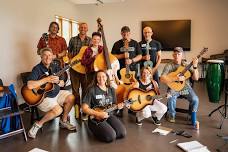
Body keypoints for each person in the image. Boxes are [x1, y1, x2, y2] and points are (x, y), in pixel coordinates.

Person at [27, 47, 76, 139]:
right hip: (43, 97)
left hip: (56, 93)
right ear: (41, 57)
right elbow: (29, 85)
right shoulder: (37, 69)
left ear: (52, 56)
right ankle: (38, 124)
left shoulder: (55, 66)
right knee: (58, 110)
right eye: (45, 55)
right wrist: (46, 79)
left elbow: (62, 84)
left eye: (49, 55)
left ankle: (63, 121)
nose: (47, 57)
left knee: (71, 98)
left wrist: (57, 81)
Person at [160, 47, 199, 129]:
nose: (177, 56)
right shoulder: (169, 65)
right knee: (171, 96)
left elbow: (196, 78)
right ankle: (171, 115)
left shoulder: (186, 65)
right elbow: (162, 78)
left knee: (195, 99)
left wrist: (195, 67)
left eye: (179, 54)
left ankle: (191, 115)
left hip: (185, 88)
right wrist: (176, 78)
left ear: (182, 55)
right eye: (175, 54)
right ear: (173, 55)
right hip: (174, 88)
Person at [82, 70, 126, 142]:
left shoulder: (111, 89)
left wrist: (118, 107)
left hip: (109, 115)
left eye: (103, 76)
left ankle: (106, 127)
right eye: (98, 77)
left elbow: (114, 104)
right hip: (95, 118)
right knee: (111, 137)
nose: (101, 78)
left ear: (106, 78)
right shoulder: (92, 90)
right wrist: (98, 114)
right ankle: (94, 128)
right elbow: (84, 108)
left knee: (122, 133)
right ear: (96, 78)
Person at [68, 22, 91, 119]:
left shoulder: (90, 40)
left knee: (86, 89)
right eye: (81, 27)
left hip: (85, 69)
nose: (83, 28)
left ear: (87, 29)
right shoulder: (73, 39)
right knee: (75, 90)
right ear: (78, 28)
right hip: (74, 69)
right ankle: (77, 110)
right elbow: (69, 52)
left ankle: (85, 110)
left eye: (85, 27)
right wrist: (70, 62)